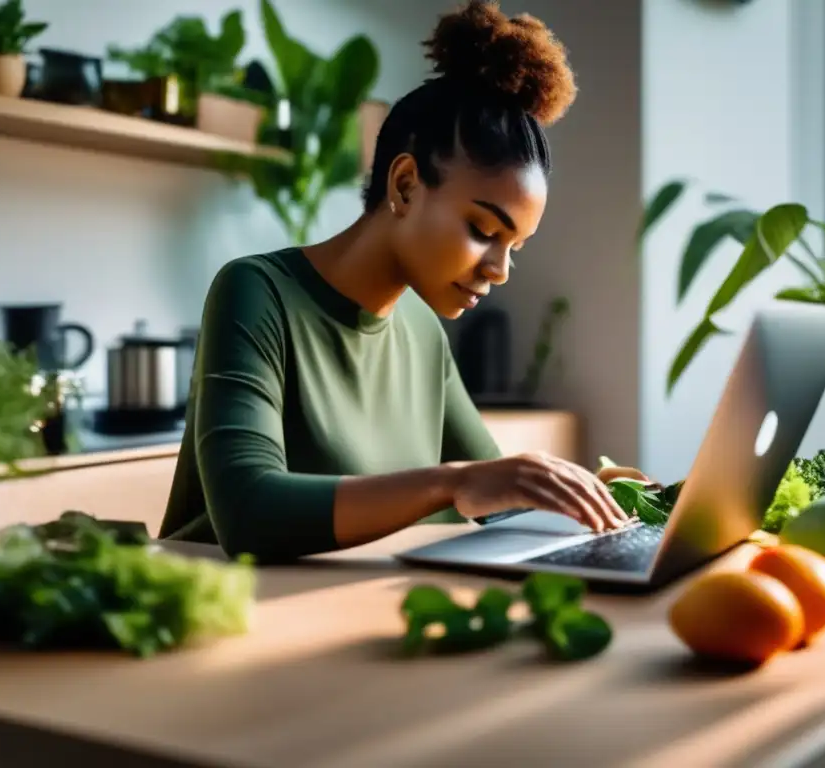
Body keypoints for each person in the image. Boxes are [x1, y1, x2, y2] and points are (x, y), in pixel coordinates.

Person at [159, 0, 649, 562]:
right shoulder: (256, 293)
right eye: (482, 228)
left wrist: (595, 499)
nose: (499, 269)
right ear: (407, 185)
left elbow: (500, 503)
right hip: (225, 622)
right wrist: (452, 483)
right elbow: (249, 511)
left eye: (514, 247)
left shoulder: (420, 329)